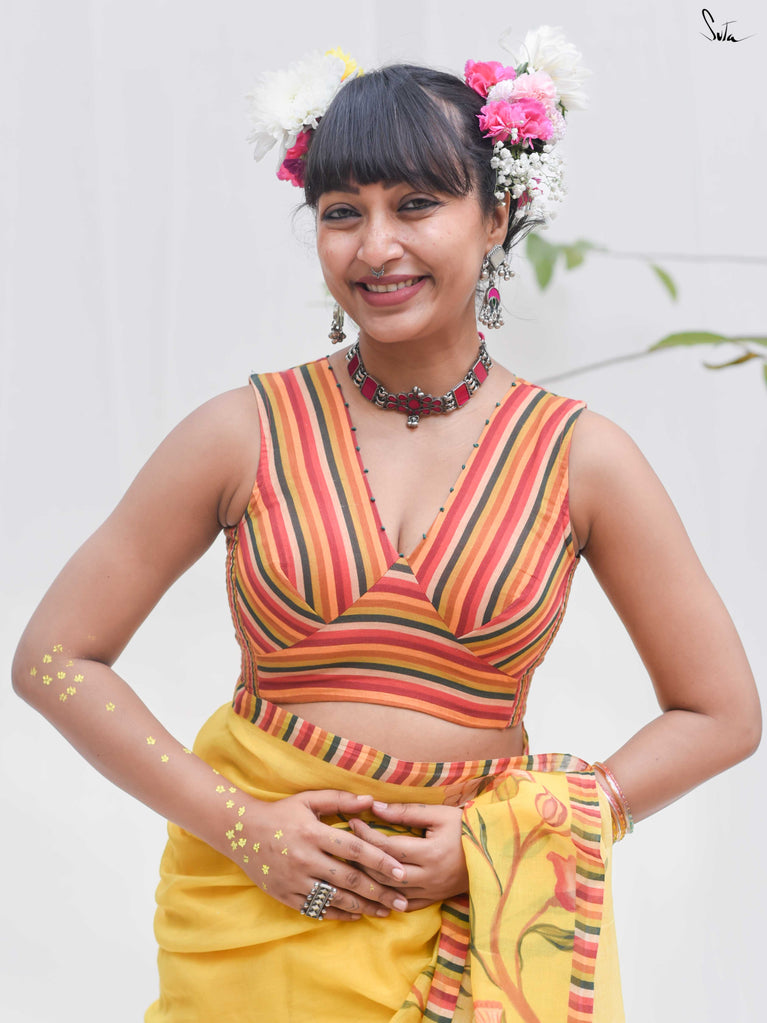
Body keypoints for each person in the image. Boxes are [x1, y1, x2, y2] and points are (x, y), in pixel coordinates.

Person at [12, 31, 760, 1023]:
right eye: (340, 212)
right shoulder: (242, 433)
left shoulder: (581, 458)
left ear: (497, 215)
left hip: (470, 925)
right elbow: (53, 659)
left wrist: (496, 844)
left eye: (415, 204)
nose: (374, 247)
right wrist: (240, 826)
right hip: (251, 932)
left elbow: (721, 713)